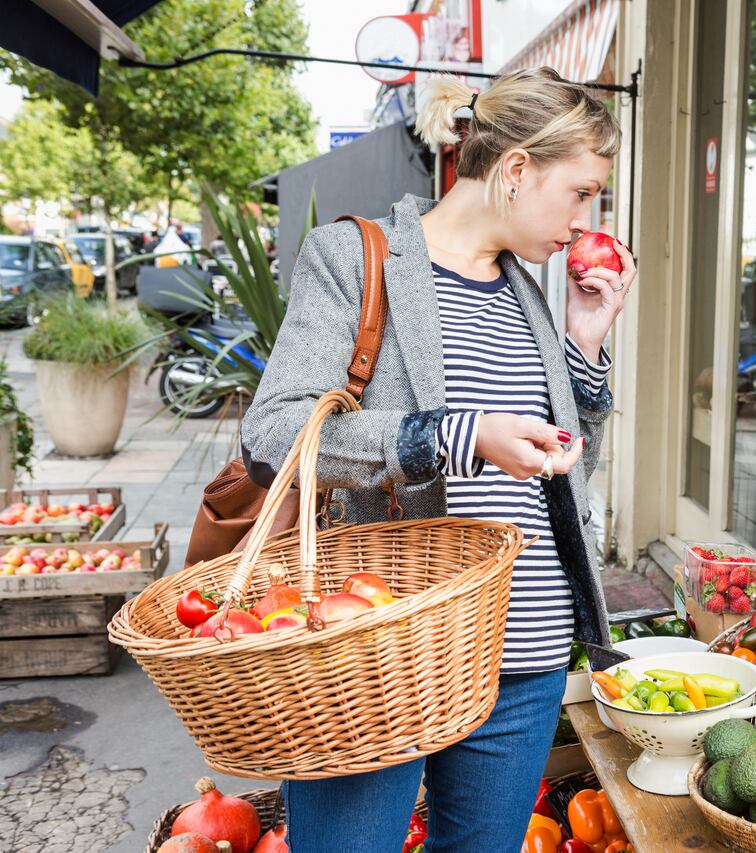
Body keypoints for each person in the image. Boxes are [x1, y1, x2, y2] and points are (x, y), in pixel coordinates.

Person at [238, 67, 634, 852]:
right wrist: (454, 436)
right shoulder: (354, 258)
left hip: (524, 651)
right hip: (381, 654)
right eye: (581, 193)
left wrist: (584, 343)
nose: (585, 220)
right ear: (516, 169)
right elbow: (275, 432)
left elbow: (560, 465)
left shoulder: (526, 289)